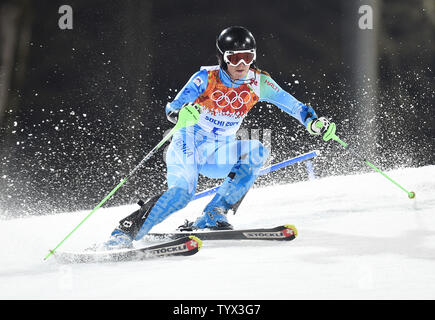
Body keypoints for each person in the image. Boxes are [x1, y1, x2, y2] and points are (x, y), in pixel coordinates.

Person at [104, 26, 336, 249]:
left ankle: (213, 213)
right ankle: (124, 232)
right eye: (235, 58)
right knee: (182, 194)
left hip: (218, 152)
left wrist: (314, 123)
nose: (242, 64)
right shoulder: (205, 78)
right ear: (223, 58)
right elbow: (173, 108)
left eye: (247, 57)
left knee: (256, 150)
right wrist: (181, 114)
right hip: (188, 144)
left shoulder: (259, 82)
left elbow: (294, 106)